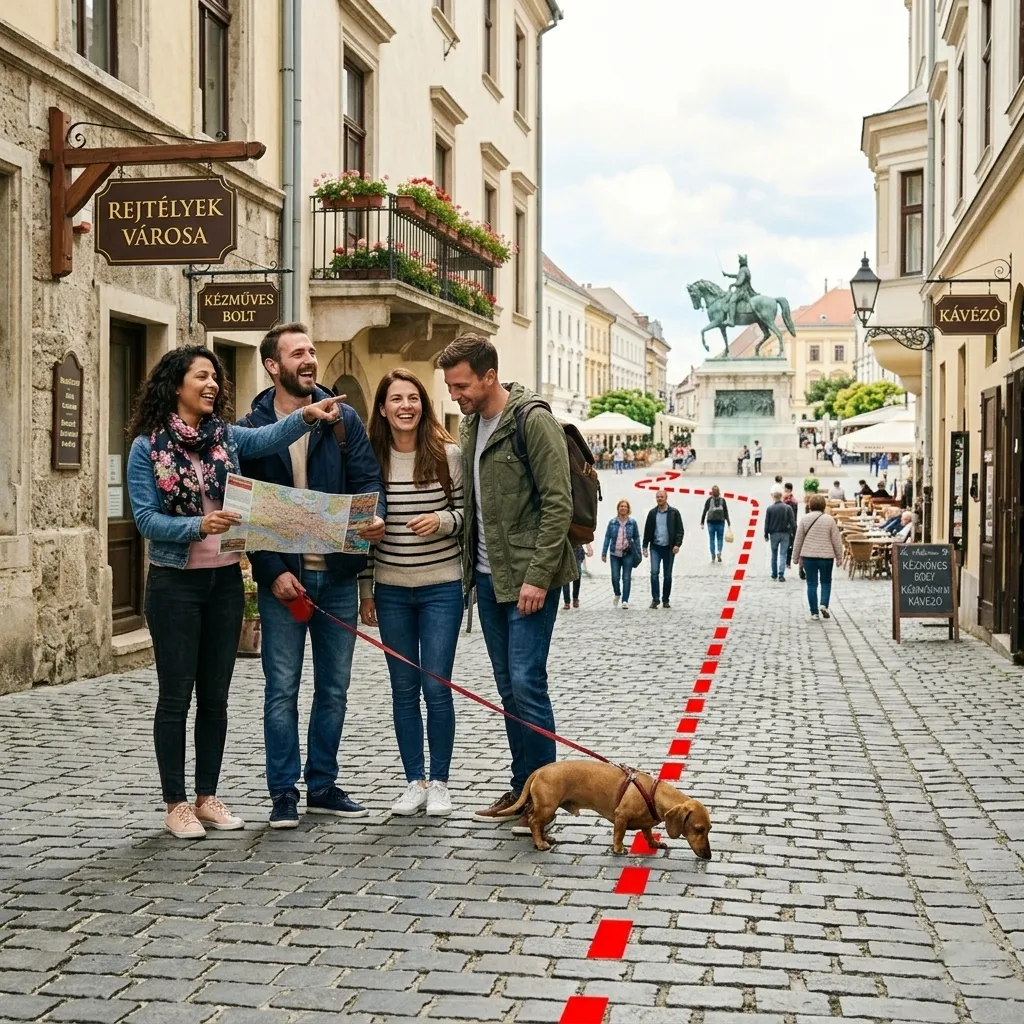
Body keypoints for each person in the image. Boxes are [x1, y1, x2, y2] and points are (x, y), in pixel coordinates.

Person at [126, 345, 344, 839]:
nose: (211, 386)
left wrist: (306, 417)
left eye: (215, 379)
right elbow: (144, 520)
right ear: (175, 384)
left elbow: (267, 436)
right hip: (174, 585)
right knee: (176, 697)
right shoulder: (148, 447)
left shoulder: (224, 437)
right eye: (202, 377)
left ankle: (207, 797)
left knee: (216, 697)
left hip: (224, 581)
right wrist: (198, 525)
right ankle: (175, 802)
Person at [239, 322, 386, 829]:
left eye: (312, 351)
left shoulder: (343, 418)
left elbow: (368, 482)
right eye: (297, 353)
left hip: (339, 575)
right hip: (285, 582)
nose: (309, 359)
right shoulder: (252, 425)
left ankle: (322, 784)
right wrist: (272, 571)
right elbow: (248, 509)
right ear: (273, 366)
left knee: (335, 689)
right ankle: (283, 791)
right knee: (281, 689)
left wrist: (376, 516)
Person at [438, 335, 576, 831]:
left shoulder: (532, 420)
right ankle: (524, 788)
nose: (455, 395)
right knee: (508, 689)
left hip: (528, 580)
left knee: (526, 682)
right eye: (451, 387)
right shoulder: (474, 424)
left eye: (461, 385)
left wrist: (537, 577)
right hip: (488, 579)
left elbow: (557, 504)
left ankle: (546, 797)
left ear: (488, 376)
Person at [358, 369, 464, 818]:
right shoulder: (370, 461)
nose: (405, 406)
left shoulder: (448, 456)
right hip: (392, 591)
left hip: (442, 587)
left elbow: (465, 517)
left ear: (424, 404)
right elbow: (362, 530)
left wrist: (441, 521)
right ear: (382, 408)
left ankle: (440, 781)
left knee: (435, 686)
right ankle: (413, 782)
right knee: (403, 689)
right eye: (396, 399)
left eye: (413, 398)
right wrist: (367, 589)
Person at [792, 494, 845, 622]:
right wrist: (839, 557)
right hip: (826, 557)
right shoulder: (829, 520)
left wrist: (795, 557)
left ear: (810, 506)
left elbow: (798, 540)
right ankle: (824, 604)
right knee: (826, 582)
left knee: (811, 584)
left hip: (809, 557)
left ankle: (814, 613)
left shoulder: (805, 519)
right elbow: (836, 540)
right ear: (823, 505)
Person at [643, 489, 684, 609]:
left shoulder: (674, 513)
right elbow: (647, 530)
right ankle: (655, 599)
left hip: (669, 548)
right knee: (654, 573)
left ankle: (665, 599)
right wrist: (645, 546)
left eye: (661, 497)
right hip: (655, 547)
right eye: (657, 497)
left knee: (667, 575)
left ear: (666, 498)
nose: (659, 499)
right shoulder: (652, 513)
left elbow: (680, 530)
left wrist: (677, 544)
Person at [602, 499, 641, 608]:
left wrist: (638, 552)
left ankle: (625, 600)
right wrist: (604, 553)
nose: (623, 508)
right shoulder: (612, 522)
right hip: (615, 553)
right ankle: (617, 593)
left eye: (625, 506)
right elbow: (607, 537)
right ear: (618, 508)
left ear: (628, 509)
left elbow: (636, 538)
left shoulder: (632, 523)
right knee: (615, 577)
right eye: (621, 506)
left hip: (628, 553)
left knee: (626, 577)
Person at [764, 485, 796, 582]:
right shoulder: (788, 508)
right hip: (785, 534)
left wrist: (766, 534)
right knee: (783, 554)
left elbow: (767, 523)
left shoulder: (770, 509)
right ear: (781, 497)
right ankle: (781, 574)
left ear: (773, 497)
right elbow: (793, 523)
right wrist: (793, 533)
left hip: (773, 534)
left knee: (774, 554)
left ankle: (774, 573)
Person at [700, 485, 730, 563]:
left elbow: (705, 511)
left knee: (711, 539)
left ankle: (713, 555)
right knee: (720, 539)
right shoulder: (722, 500)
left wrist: (702, 522)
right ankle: (719, 552)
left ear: (712, 492)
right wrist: (728, 522)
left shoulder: (709, 500)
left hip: (710, 522)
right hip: (720, 522)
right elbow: (725, 512)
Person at [563, 543, 594, 609]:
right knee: (565, 576)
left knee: (577, 575)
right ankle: (566, 601)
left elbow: (583, 533)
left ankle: (575, 598)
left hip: (577, 550)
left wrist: (588, 546)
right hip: (565, 549)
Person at [782, 482, 799, 568]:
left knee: (785, 544)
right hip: (792, 525)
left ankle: (785, 561)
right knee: (790, 544)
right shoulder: (794, 501)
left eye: (785, 488)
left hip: (784, 525)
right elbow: (795, 515)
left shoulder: (783, 501)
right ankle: (787, 562)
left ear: (788, 489)